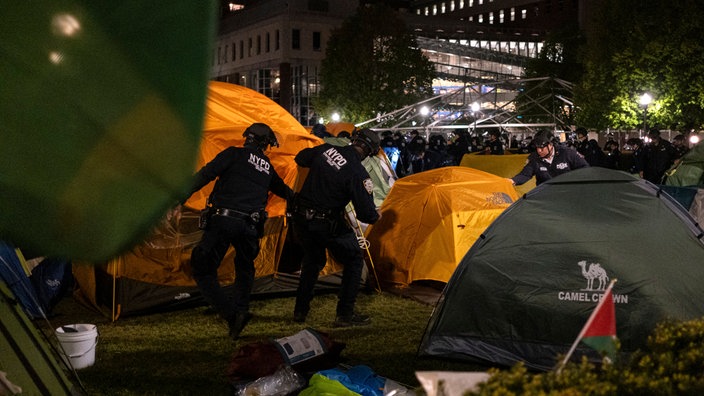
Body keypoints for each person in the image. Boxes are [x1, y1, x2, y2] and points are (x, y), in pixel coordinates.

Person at [183, 123, 293, 340]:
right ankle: (241, 308)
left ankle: (232, 315)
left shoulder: (233, 154)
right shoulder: (267, 166)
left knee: (203, 269)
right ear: (264, 144)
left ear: (247, 138)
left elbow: (205, 174)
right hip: (251, 226)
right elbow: (284, 191)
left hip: (224, 220)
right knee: (245, 267)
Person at [291, 128, 381, 327]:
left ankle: (300, 311)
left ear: (353, 140)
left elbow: (301, 158)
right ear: (369, 152)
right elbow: (366, 214)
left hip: (301, 219)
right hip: (326, 223)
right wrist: (377, 215)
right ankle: (344, 314)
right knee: (354, 259)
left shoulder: (325, 149)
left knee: (313, 260)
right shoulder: (358, 173)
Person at [509, 130, 589, 186]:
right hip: (545, 196)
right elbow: (525, 174)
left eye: (542, 148)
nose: (539, 151)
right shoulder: (535, 158)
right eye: (537, 148)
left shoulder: (567, 153)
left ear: (551, 145)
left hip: (567, 193)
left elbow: (585, 169)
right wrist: (512, 181)